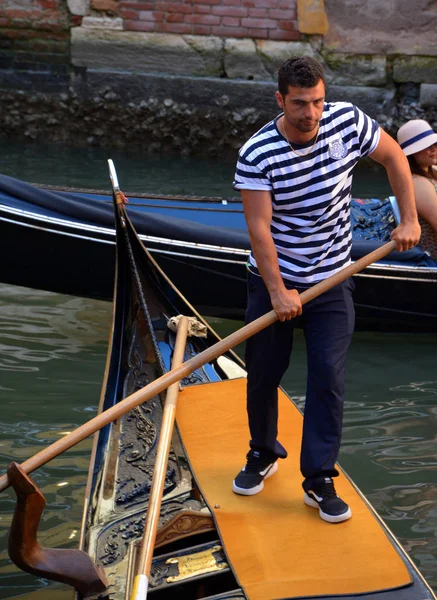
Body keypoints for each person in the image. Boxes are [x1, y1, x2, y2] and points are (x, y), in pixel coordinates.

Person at [232, 56, 420, 524]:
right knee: (263, 374)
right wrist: (278, 291)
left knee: (328, 378)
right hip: (275, 278)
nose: (311, 113)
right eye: (299, 104)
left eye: (317, 101)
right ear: (280, 99)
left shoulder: (347, 121)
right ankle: (262, 452)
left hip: (333, 278)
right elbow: (260, 229)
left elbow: (395, 156)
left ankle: (318, 478)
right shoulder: (257, 153)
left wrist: (410, 219)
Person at [397, 119, 437, 260]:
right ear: (412, 153)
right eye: (426, 145)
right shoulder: (419, 183)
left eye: (434, 144)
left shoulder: (430, 173)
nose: (433, 148)